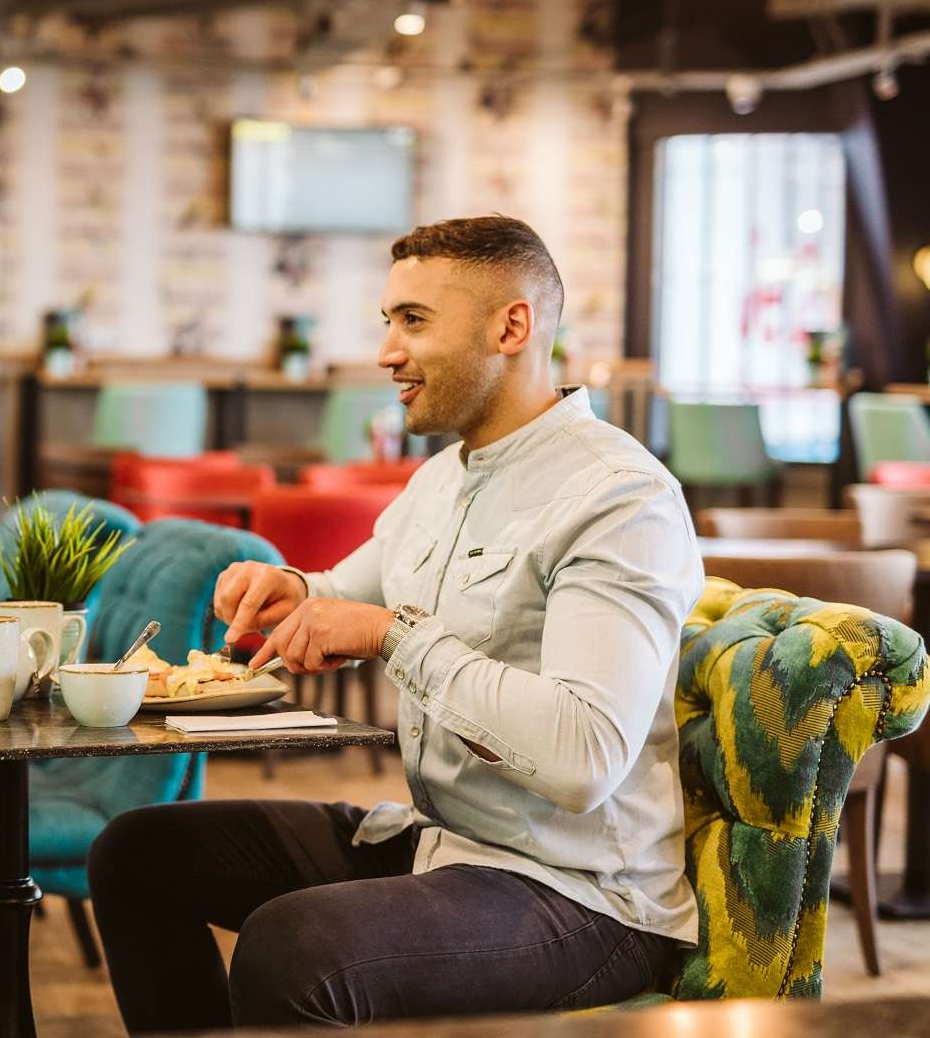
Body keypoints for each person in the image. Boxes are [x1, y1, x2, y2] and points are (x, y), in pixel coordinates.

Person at [88, 216, 703, 1031]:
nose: (385, 351)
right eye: (389, 322)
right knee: (138, 854)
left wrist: (390, 635)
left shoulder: (619, 497)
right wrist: (290, 588)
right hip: (442, 843)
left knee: (289, 948)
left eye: (413, 321)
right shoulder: (442, 477)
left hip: (584, 897)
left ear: (510, 326)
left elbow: (583, 755)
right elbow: (343, 591)